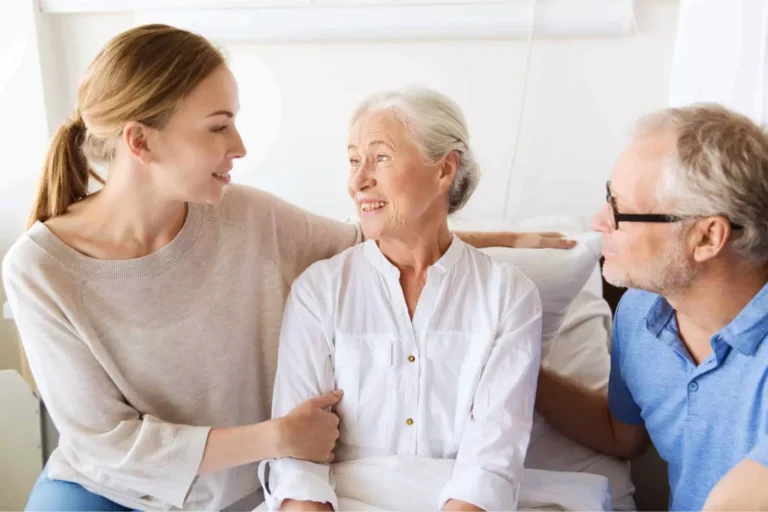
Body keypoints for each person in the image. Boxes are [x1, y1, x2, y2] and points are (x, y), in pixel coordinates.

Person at [1, 24, 569, 511]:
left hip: (238, 489)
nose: (240, 145)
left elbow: (383, 236)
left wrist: (505, 238)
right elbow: (106, 445)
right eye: (218, 125)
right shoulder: (39, 269)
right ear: (141, 143)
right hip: (106, 490)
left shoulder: (245, 216)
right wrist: (277, 436)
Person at [262, 87, 543, 512]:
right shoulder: (319, 290)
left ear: (445, 168)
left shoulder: (508, 294)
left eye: (381, 157)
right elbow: (296, 462)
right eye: (354, 160)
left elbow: (490, 464)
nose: (358, 181)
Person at [535, 104, 768, 511]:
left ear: (707, 237)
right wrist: (512, 364)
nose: (597, 220)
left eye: (619, 209)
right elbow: (620, 435)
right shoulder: (642, 314)